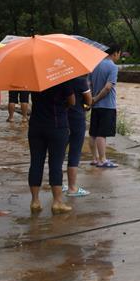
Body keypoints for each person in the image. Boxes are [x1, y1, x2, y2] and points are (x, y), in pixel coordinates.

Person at [28, 79, 76, 214]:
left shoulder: (34, 80)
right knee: (55, 164)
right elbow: (72, 101)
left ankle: (35, 201)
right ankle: (57, 202)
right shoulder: (62, 78)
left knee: (36, 163)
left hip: (36, 126)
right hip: (57, 126)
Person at [89, 44, 121, 168]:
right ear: (115, 53)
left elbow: (89, 84)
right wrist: (97, 99)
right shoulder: (113, 67)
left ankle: (95, 159)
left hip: (95, 106)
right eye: (119, 54)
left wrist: (92, 99)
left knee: (93, 133)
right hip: (107, 106)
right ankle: (103, 160)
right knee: (102, 134)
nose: (119, 56)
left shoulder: (95, 66)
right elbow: (108, 87)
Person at [63, 75, 92, 197]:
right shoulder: (81, 81)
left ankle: (58, 184)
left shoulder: (58, 80)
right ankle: (72, 188)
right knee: (74, 153)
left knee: (58, 153)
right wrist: (86, 107)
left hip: (60, 119)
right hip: (77, 119)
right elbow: (89, 101)